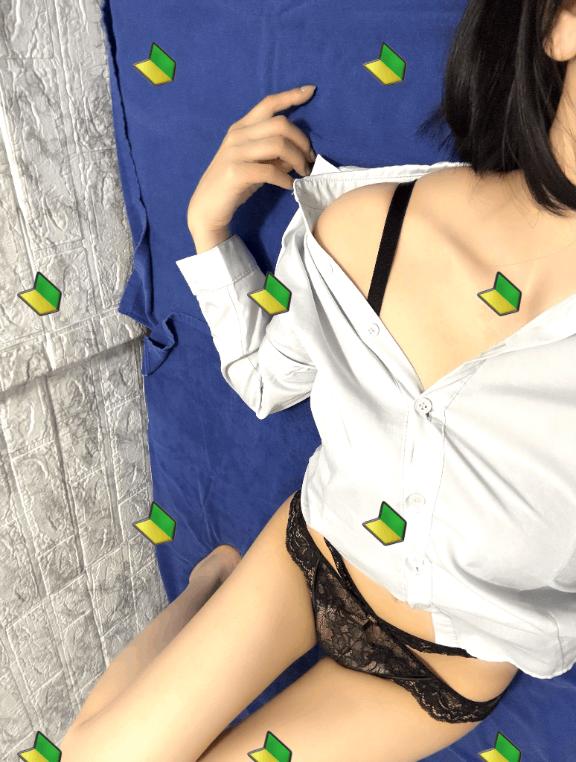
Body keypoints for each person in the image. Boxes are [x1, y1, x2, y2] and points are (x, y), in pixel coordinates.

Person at [59, 1, 576, 760]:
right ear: (561, 26)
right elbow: (267, 379)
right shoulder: (367, 227)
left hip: (444, 669)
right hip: (311, 558)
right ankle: (212, 583)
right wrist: (206, 229)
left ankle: (211, 592)